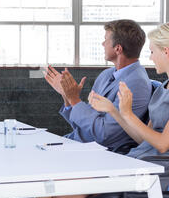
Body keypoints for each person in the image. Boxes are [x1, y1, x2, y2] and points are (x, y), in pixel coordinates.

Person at [36, 22, 169, 198]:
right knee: (50, 186)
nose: (151, 57)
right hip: (135, 160)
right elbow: (143, 139)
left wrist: (128, 115)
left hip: (152, 169)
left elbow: (162, 145)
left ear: (167, 52)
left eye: (153, 51)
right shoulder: (164, 88)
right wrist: (114, 111)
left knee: (66, 194)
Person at [44, 20, 152, 151]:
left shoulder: (136, 83)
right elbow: (83, 125)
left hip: (101, 152)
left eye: (105, 40)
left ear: (118, 48)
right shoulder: (106, 75)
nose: (102, 44)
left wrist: (75, 100)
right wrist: (67, 97)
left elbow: (104, 134)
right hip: (77, 143)